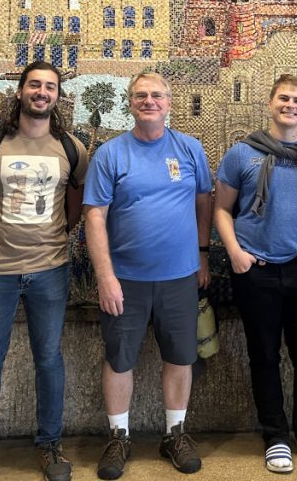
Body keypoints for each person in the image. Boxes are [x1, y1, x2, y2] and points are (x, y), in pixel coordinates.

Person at [0, 62, 89, 481]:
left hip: (49, 270)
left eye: (50, 86)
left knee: (48, 359)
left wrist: (47, 241)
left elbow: (74, 213)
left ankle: (50, 447)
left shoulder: (72, 149)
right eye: (35, 84)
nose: (42, 92)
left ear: (57, 97)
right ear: (19, 91)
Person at [83, 71, 212, 479]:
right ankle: (118, 437)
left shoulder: (190, 149)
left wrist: (204, 256)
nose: (149, 101)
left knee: (180, 356)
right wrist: (104, 276)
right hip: (126, 280)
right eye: (141, 95)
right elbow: (95, 216)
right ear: (130, 103)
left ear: (169, 102)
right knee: (120, 359)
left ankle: (174, 433)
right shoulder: (111, 154)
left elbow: (204, 202)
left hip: (179, 277)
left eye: (157, 95)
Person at [213, 74, 297, 474]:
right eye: (284, 98)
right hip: (257, 270)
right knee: (263, 355)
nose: (291, 105)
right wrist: (235, 252)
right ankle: (275, 436)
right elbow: (221, 209)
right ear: (270, 104)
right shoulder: (241, 154)